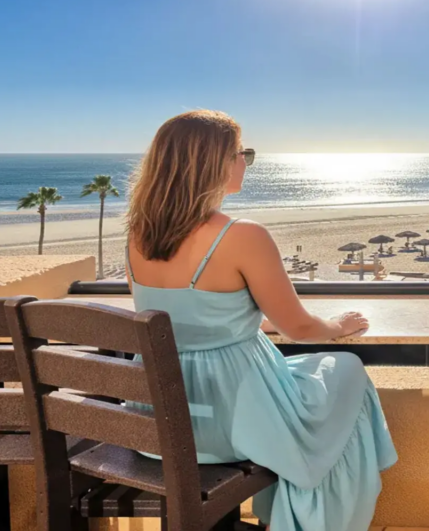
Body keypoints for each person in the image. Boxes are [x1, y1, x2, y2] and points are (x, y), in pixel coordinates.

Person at [124, 110, 397, 531]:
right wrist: (338, 327)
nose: (245, 162)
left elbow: (184, 320)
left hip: (157, 426)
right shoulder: (241, 236)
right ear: (212, 162)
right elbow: (300, 329)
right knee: (347, 370)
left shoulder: (138, 235)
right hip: (228, 425)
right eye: (242, 152)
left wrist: (249, 324)